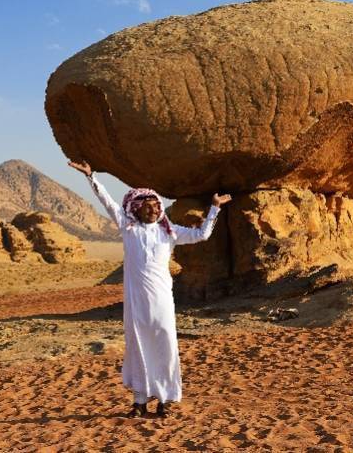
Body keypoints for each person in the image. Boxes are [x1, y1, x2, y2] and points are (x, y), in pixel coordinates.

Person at [68, 160, 231, 418]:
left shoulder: (169, 232)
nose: (155, 210)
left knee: (165, 344)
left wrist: (214, 209)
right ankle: (139, 402)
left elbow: (202, 235)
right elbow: (108, 202)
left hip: (163, 301)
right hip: (136, 303)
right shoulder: (128, 227)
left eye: (157, 206)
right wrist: (92, 177)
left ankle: (164, 400)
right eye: (149, 206)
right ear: (137, 209)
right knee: (139, 347)